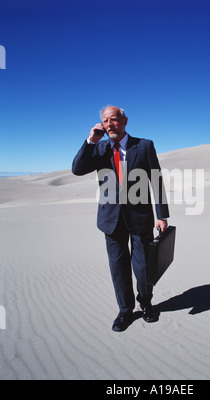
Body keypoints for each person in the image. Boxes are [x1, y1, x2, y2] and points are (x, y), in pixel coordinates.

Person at [72, 106, 170, 332]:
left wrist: (162, 214)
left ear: (125, 121)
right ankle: (125, 310)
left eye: (114, 120)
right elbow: (77, 169)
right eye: (105, 121)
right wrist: (90, 141)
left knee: (143, 266)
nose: (109, 125)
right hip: (111, 219)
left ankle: (146, 303)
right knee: (118, 268)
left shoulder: (144, 146)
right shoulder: (99, 147)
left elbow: (156, 181)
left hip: (141, 218)